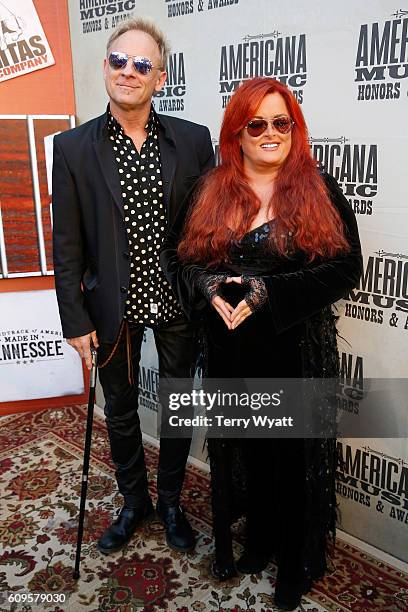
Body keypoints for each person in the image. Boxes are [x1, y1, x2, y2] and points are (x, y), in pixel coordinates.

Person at [160, 77, 362, 610]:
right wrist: (206, 286)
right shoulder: (211, 190)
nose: (271, 134)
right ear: (237, 133)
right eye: (257, 124)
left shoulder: (319, 190)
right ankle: (258, 541)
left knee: (293, 461)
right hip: (231, 354)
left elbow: (346, 269)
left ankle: (296, 560)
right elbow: (182, 260)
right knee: (248, 455)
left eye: (281, 123)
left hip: (293, 354)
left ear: (294, 129)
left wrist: (271, 292)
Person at [52, 17, 214, 556]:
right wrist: (74, 320)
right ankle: (133, 501)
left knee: (176, 406)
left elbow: (206, 231)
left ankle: (169, 502)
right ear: (105, 67)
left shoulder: (193, 141)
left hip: (176, 302)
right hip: (110, 306)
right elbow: (68, 243)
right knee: (120, 410)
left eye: (142, 64)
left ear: (160, 77)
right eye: (119, 61)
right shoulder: (73, 148)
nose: (128, 72)